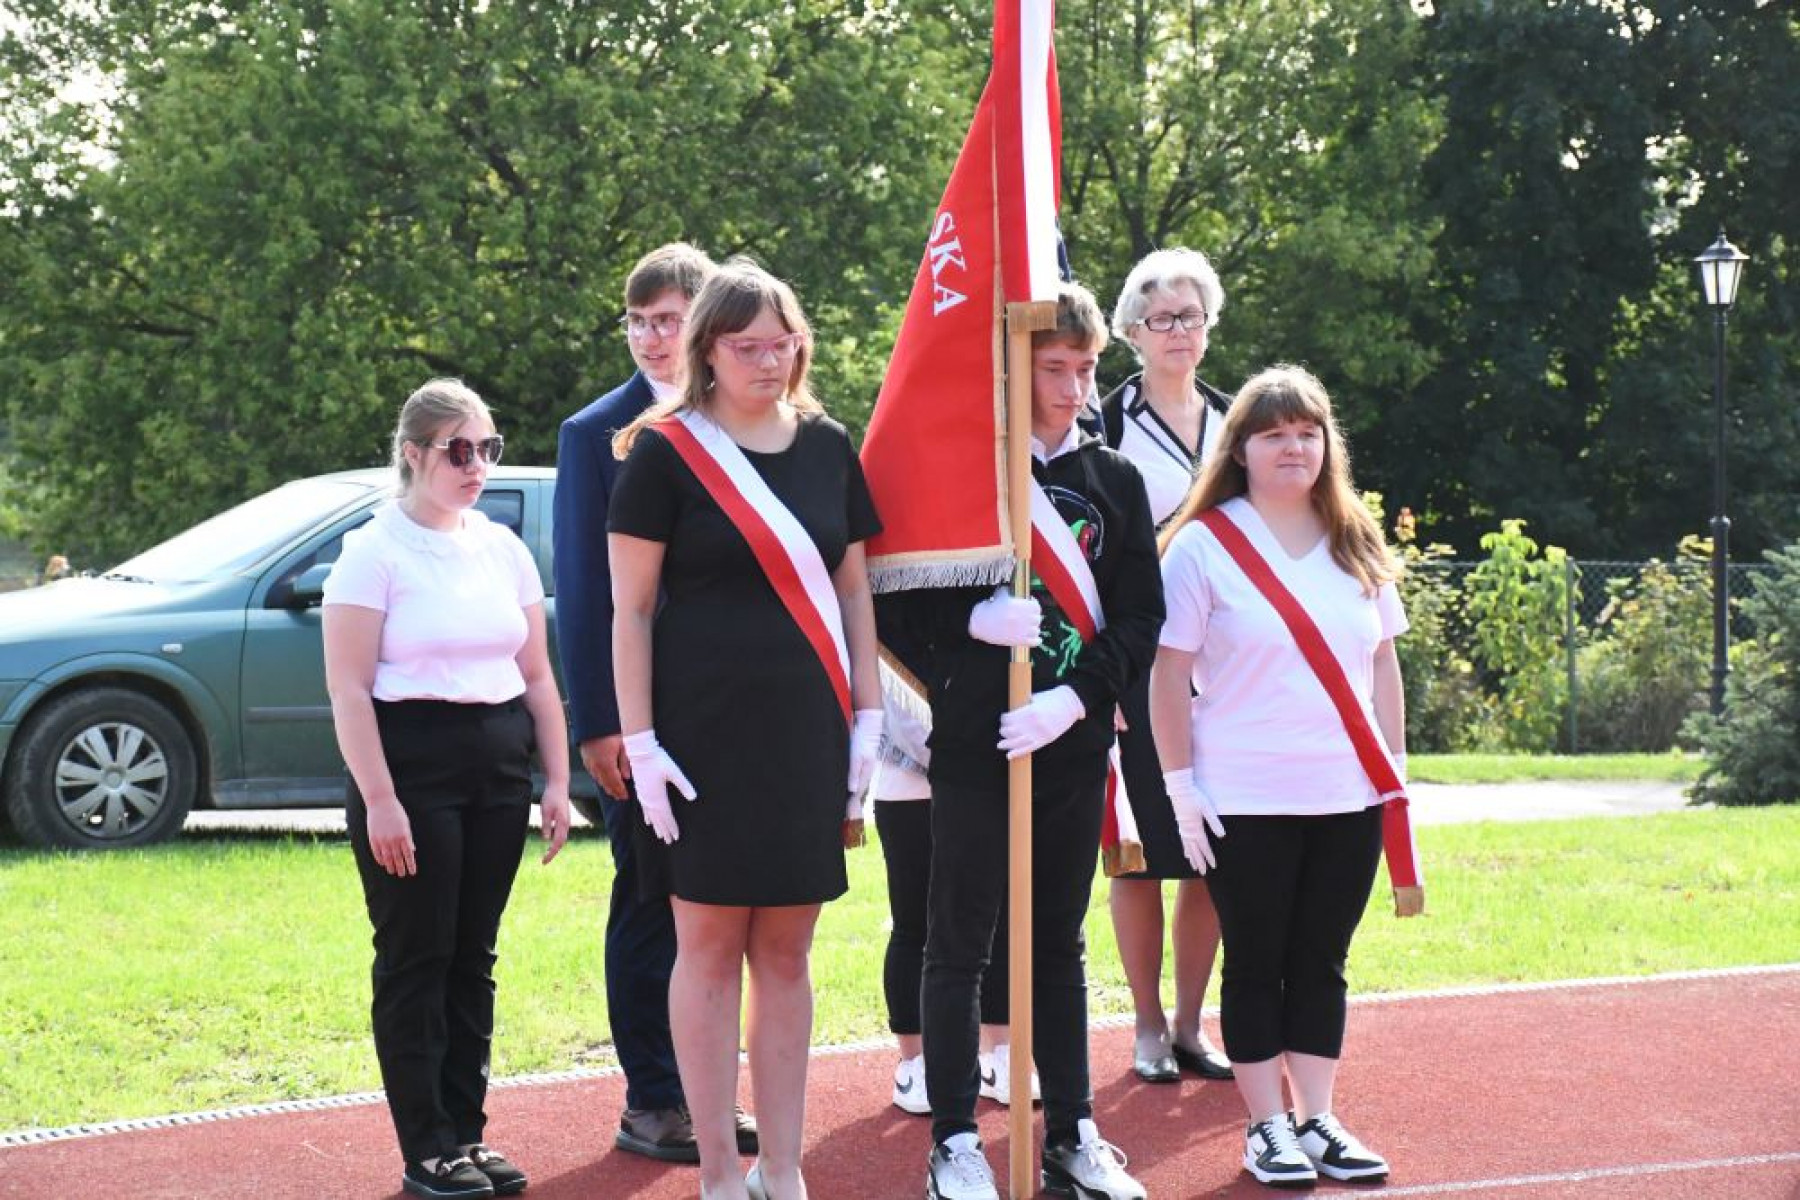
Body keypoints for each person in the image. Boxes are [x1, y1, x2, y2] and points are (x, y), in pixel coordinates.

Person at [608, 258, 884, 1200]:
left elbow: (853, 588)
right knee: (709, 946)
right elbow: (629, 610)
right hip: (699, 737)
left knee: (789, 951)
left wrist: (868, 715)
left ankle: (785, 1166)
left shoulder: (827, 445)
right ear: (708, 351)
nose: (771, 361)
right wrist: (639, 741)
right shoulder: (664, 452)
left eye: (784, 343)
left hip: (806, 729)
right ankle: (720, 1171)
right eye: (748, 346)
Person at [895, 282, 1160, 1200]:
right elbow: (896, 597)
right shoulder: (969, 478)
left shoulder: (1115, 480)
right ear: (1014, 367)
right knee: (959, 943)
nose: (1073, 388)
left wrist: (1077, 699)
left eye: (1085, 369)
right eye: (1053, 368)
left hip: (1070, 745)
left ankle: (1073, 1131)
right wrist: (967, 622)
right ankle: (955, 1140)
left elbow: (1140, 616)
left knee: (1057, 943)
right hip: (978, 743)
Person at [1147, 365, 1410, 1189]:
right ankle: (1266, 1126)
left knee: (1323, 960)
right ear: (1242, 449)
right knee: (1257, 961)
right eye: (1273, 435)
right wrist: (1180, 788)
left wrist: (1395, 774)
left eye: (1307, 432)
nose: (1293, 447)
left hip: (1347, 793)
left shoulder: (1353, 535)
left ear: (1327, 443)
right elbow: (1167, 672)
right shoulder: (1203, 544)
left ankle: (1317, 1117)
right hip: (1244, 796)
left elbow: (1383, 660)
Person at [323, 378, 573, 1200]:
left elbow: (537, 675)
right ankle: (426, 1145)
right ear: (414, 454)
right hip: (410, 765)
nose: (476, 466)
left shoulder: (501, 547)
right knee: (416, 956)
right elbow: (349, 689)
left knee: (473, 956)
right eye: (458, 450)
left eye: (487, 448)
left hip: (497, 764)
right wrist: (381, 799)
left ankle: (466, 1134)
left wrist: (557, 780)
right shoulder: (373, 552)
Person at [553, 242, 757, 1164]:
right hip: (641, 721)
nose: (650, 337)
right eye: (637, 321)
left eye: (668, 319)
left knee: (724, 910)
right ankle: (653, 1099)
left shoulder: (746, 421)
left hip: (735, 714)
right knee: (649, 904)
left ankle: (705, 1091)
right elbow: (586, 591)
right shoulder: (595, 432)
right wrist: (600, 722)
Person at [1099, 248, 1233, 1085]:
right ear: (1132, 331)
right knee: (1142, 851)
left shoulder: (1238, 419)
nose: (1178, 331)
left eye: (1190, 316)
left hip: (1228, 669)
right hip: (1140, 667)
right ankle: (1146, 1025)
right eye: (1161, 319)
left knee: (1214, 849)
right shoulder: (1105, 422)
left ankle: (1190, 1021)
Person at [869, 652, 1038, 1118]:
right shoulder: (894, 609)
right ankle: (915, 1061)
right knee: (914, 923)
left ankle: (1000, 1050)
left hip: (980, 782)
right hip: (911, 784)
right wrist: (958, 749)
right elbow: (888, 696)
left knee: (994, 918)